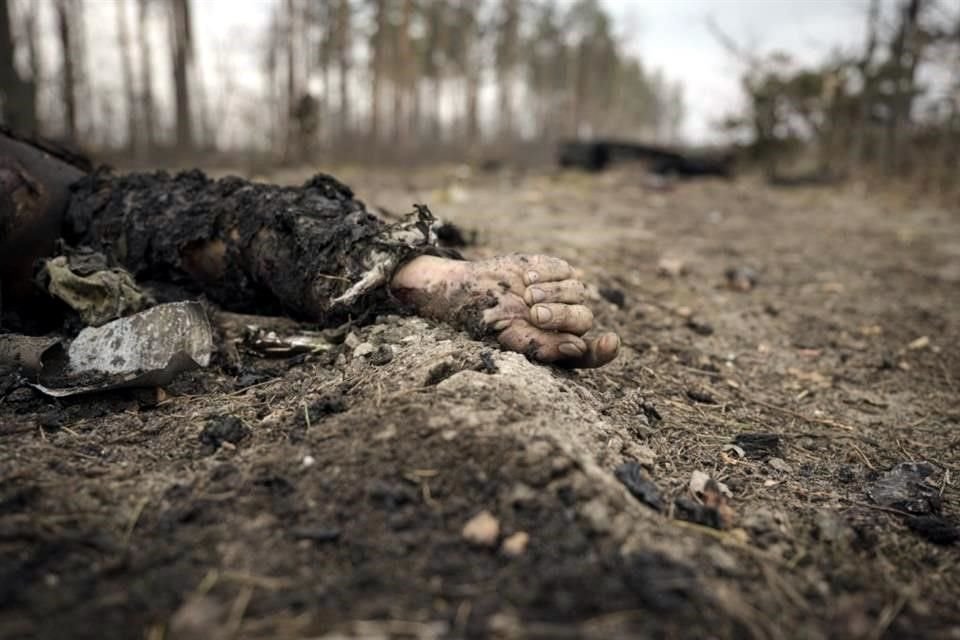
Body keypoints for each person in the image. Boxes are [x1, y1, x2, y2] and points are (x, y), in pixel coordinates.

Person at [0, 129, 619, 368]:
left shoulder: (60, 199)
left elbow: (220, 221)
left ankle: (419, 276)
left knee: (206, 222)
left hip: (70, 219)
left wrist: (423, 275)